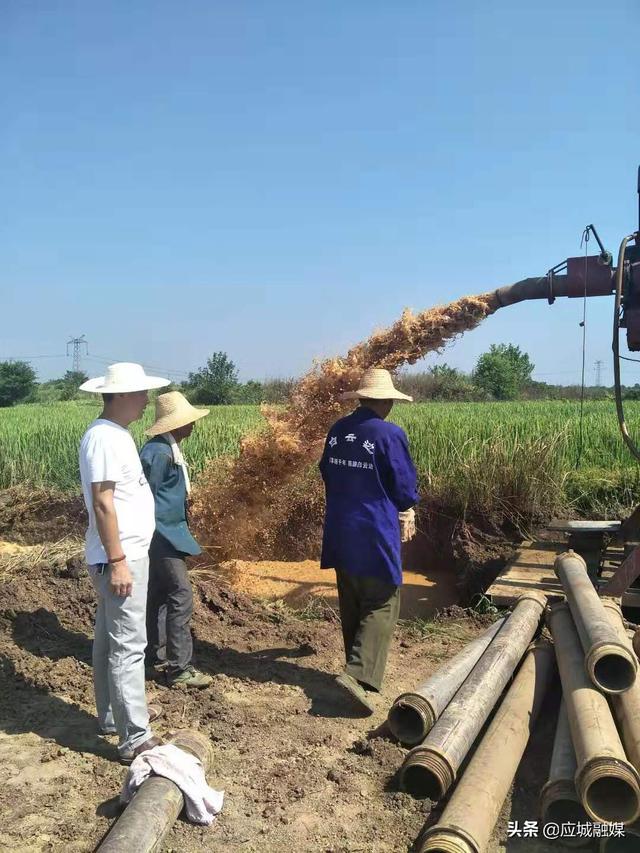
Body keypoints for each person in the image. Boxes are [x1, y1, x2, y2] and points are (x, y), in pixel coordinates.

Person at [79, 362, 170, 763]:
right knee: (129, 646)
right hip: (121, 557)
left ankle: (115, 717)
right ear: (119, 396)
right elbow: (103, 502)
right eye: (139, 393)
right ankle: (135, 738)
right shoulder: (105, 439)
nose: (145, 399)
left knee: (109, 639)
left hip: (122, 553)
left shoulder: (114, 436)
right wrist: (117, 560)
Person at [319, 368, 419, 714]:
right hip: (374, 530)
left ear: (361, 399)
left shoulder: (337, 431)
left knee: (352, 598)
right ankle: (358, 677)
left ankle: (353, 670)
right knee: (382, 600)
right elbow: (404, 487)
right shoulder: (390, 435)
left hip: (340, 528)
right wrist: (407, 509)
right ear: (386, 401)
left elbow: (327, 473)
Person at [140, 391, 213, 688]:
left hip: (169, 532)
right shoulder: (158, 453)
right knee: (181, 595)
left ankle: (150, 658)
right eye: (189, 421)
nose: (193, 426)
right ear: (175, 424)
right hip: (161, 535)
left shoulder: (169, 450)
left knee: (157, 596)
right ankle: (179, 668)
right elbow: (145, 496)